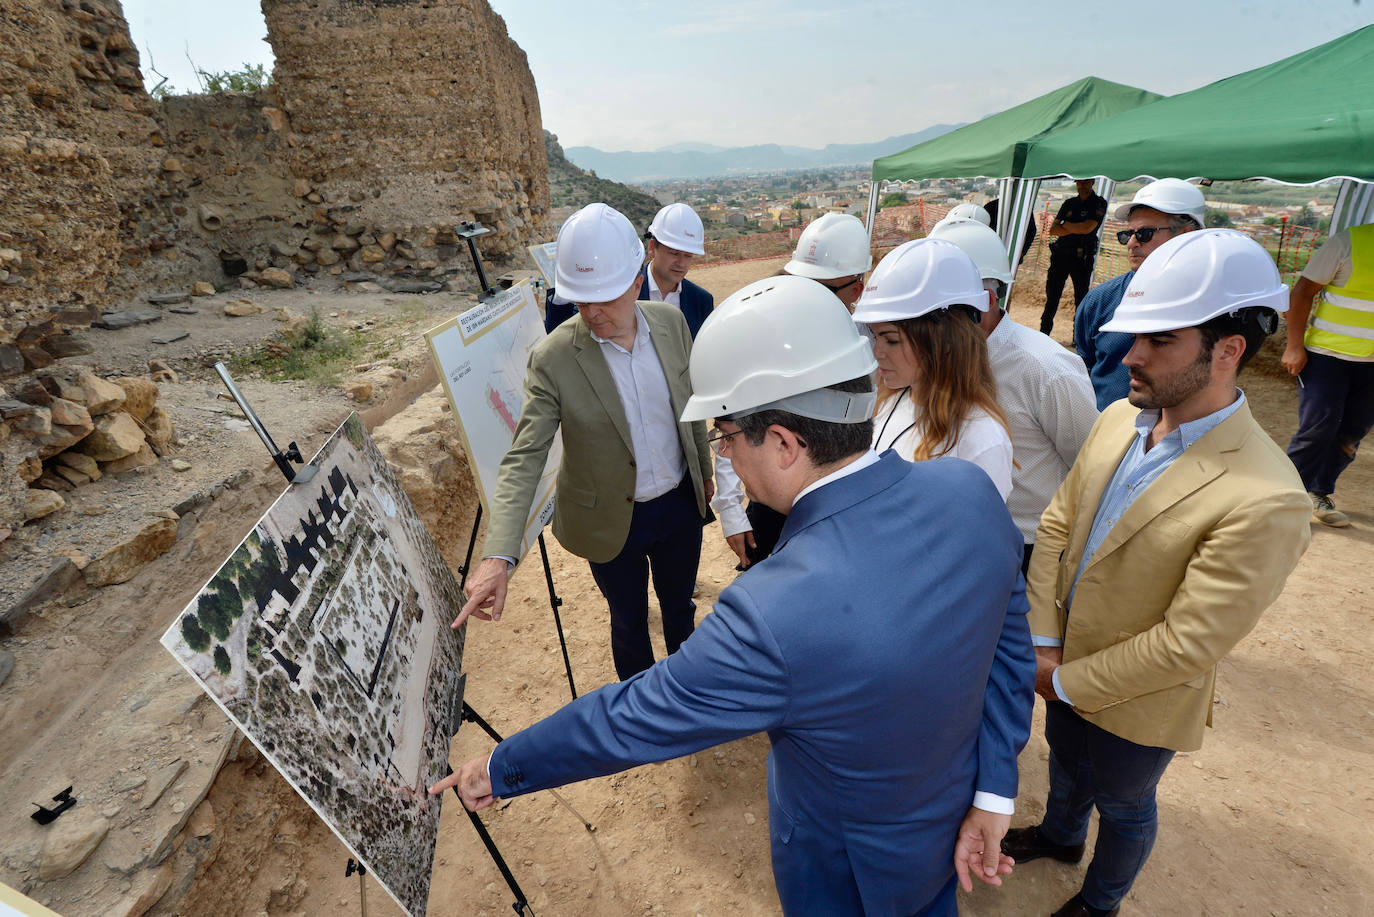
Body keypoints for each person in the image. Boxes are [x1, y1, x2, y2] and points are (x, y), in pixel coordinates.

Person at [434, 274, 1036, 917]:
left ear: (782, 442)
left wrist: (499, 767)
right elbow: (1009, 649)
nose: (723, 453)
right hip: (943, 830)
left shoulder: (775, 611)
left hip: (848, 874)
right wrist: (994, 792)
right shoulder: (967, 492)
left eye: (725, 436)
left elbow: (632, 717)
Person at [1004, 229, 1312, 917]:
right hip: (1060, 662)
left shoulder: (1267, 495)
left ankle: (1102, 900)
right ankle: (1059, 836)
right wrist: (1045, 639)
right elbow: (1058, 524)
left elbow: (1189, 643)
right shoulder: (1119, 418)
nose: (1129, 356)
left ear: (1228, 349)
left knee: (1123, 801)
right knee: (1066, 765)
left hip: (1138, 700)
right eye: (1134, 336)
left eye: (1159, 340)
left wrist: (1063, 677)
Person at [461, 203, 714, 681]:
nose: (593, 313)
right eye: (581, 300)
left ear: (636, 283)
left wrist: (702, 469)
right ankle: (638, 713)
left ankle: (690, 693)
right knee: (630, 623)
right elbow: (525, 457)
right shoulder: (553, 358)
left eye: (606, 297)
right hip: (609, 520)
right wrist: (499, 554)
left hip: (680, 504)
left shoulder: (671, 324)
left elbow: (689, 405)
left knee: (680, 608)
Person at [930, 218, 1099, 573]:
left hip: (1030, 552)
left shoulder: (1046, 369)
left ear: (984, 302)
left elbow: (1092, 465)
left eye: (935, 311)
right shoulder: (932, 361)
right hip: (957, 538)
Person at [714, 212, 874, 569]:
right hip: (772, 508)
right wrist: (732, 511)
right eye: (801, 281)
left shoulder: (871, 341)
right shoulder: (764, 329)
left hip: (844, 508)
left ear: (856, 289)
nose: (805, 296)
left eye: (822, 288)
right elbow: (733, 423)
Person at [851, 237, 1014, 500]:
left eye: (891, 340)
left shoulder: (980, 438)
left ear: (945, 342)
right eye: (876, 336)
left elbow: (976, 536)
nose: (877, 352)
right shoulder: (889, 401)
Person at [1074, 178, 1206, 409]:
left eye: (1144, 233)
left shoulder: (1212, 304)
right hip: (1107, 436)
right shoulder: (1100, 301)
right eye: (1127, 234)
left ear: (1185, 234)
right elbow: (1085, 368)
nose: (1131, 243)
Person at [1281, 220, 1374, 527]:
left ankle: (1318, 492)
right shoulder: (1348, 243)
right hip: (1326, 357)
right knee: (1319, 426)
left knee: (1351, 433)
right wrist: (1294, 346)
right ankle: (1285, 499)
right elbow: (1302, 292)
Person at [544, 202, 714, 338]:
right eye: (674, 253)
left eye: (688, 256)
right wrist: (565, 290)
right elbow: (563, 335)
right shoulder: (620, 288)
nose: (681, 263)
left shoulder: (701, 301)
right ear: (653, 247)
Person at [1042, 179, 1108, 336]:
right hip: (1061, 255)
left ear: (1092, 182)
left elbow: (1087, 228)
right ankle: (1044, 332)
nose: (1081, 186)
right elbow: (1053, 230)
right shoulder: (1069, 203)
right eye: (1079, 183)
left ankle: (1077, 337)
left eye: (1085, 182)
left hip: (1082, 258)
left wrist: (1067, 225)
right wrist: (1075, 228)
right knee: (1052, 297)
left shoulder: (1098, 203)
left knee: (1081, 299)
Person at [983, 197, 1037, 267]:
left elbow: (1031, 231)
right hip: (990, 254)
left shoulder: (1023, 208)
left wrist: (1022, 252)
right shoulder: (991, 206)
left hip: (1012, 255)